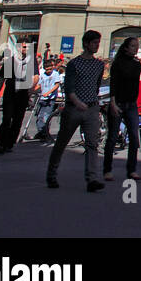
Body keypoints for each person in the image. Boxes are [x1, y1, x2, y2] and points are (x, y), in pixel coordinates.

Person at [46, 30, 107, 192]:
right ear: (86, 44)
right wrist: (77, 102)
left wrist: (95, 105)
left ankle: (92, 178)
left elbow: (96, 86)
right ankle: (51, 174)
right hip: (74, 108)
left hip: (91, 107)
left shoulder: (99, 65)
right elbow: (69, 88)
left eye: (98, 43)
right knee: (62, 141)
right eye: (94, 42)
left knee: (92, 144)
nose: (96, 45)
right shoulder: (74, 64)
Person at [104, 35, 141, 182]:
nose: (136, 48)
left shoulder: (137, 65)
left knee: (134, 137)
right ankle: (107, 170)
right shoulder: (118, 63)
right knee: (112, 137)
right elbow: (113, 84)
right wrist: (112, 102)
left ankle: (132, 170)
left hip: (131, 104)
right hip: (118, 102)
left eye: (137, 46)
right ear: (126, 47)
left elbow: (134, 85)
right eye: (133, 46)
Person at [0, 44, 35, 154]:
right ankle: (0, 143)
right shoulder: (10, 61)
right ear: (18, 48)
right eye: (23, 47)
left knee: (17, 120)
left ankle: (9, 144)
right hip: (10, 93)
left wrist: (30, 92)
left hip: (22, 94)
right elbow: (2, 78)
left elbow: (35, 77)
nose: (25, 49)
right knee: (6, 119)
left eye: (27, 47)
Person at [31, 57, 62, 142]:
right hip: (42, 98)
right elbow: (40, 84)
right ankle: (41, 132)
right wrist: (32, 91)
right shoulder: (43, 74)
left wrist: (48, 93)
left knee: (46, 116)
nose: (48, 71)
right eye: (47, 70)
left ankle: (45, 133)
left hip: (50, 99)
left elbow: (57, 85)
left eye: (50, 69)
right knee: (39, 116)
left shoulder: (55, 74)